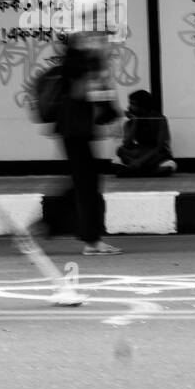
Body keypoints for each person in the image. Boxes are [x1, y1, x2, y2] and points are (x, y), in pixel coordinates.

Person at [46, 30, 122, 255]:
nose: (100, 40)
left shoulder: (84, 60)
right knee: (87, 184)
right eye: (94, 36)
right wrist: (110, 114)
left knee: (83, 182)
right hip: (74, 129)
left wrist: (110, 114)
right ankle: (92, 241)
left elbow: (99, 89)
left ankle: (46, 224)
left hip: (78, 129)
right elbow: (83, 92)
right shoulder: (80, 61)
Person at [114, 90, 177, 177]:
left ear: (143, 107)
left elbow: (160, 147)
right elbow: (127, 144)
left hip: (155, 155)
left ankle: (136, 171)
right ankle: (146, 171)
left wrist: (140, 161)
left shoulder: (160, 119)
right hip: (140, 152)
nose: (129, 107)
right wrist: (135, 121)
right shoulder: (130, 122)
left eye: (133, 104)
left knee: (169, 165)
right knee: (120, 150)